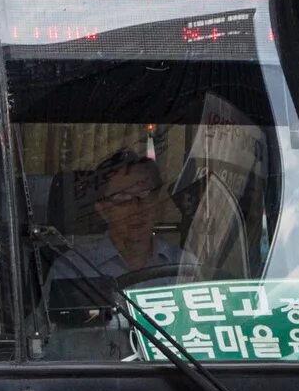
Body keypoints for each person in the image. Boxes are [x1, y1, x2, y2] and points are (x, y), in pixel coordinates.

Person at [31, 148, 198, 357]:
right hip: (96, 382)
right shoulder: (73, 269)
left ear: (157, 203)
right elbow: (40, 345)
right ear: (102, 210)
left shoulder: (184, 265)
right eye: (123, 198)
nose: (137, 208)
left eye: (145, 195)